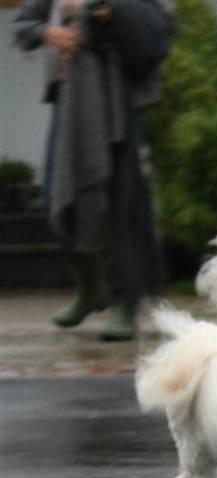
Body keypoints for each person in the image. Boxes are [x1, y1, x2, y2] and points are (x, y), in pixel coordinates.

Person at [14, 0, 175, 341]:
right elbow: (24, 21)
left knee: (122, 204)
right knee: (60, 194)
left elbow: (161, 23)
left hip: (121, 102)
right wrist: (48, 32)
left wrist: (113, 12)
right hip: (70, 100)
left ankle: (124, 303)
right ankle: (91, 289)